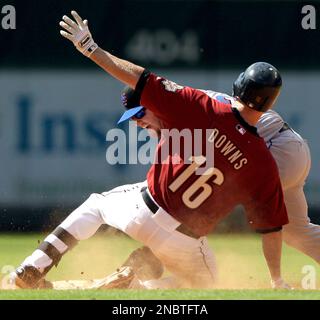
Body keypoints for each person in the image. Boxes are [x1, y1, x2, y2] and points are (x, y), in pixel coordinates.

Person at [11, 10, 289, 289]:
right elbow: (271, 228)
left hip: (142, 210)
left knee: (96, 206)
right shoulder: (262, 161)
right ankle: (134, 288)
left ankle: (33, 266)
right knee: (205, 282)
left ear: (238, 86)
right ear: (269, 105)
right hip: (185, 241)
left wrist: (91, 49)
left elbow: (139, 78)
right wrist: (276, 280)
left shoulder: (201, 105)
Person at [113, 87, 316, 290]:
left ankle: (151, 260)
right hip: (291, 148)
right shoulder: (178, 106)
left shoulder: (181, 107)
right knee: (297, 232)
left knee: (211, 194)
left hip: (277, 148)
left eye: (140, 114)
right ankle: (154, 258)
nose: (138, 122)